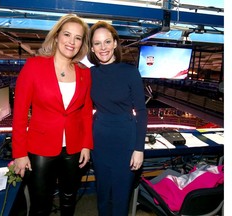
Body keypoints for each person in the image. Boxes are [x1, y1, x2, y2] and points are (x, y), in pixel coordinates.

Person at [12, 14, 93, 216]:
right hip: (40, 147)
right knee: (41, 204)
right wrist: (20, 154)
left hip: (73, 148)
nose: (71, 42)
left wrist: (86, 144)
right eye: (67, 35)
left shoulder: (85, 72)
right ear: (56, 36)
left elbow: (85, 112)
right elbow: (20, 114)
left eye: (78, 37)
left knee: (68, 198)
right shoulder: (34, 66)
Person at [87, 21, 148, 216]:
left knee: (121, 199)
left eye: (107, 42)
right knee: (103, 197)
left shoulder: (130, 72)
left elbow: (141, 111)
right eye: (97, 43)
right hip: (100, 142)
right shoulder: (89, 74)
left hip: (126, 142)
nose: (102, 47)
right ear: (92, 47)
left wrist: (139, 148)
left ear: (115, 43)